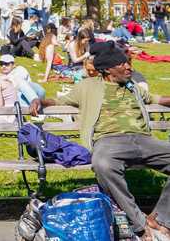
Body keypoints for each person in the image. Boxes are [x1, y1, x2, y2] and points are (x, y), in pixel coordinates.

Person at [30, 43, 170, 241]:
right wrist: (39, 100)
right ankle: (141, 223)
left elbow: (157, 98)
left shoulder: (132, 86)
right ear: (107, 70)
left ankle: (161, 220)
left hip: (142, 140)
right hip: (109, 141)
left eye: (128, 63)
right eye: (122, 64)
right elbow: (59, 101)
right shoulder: (89, 86)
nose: (129, 67)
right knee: (102, 164)